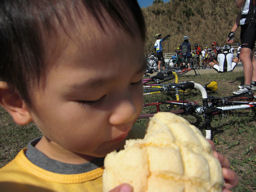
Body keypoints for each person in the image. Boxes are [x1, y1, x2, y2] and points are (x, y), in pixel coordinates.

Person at [0, 0, 238, 192]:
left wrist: (203, 178)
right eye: (93, 96)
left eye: (135, 81)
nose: (128, 111)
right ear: (18, 102)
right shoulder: (14, 185)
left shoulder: (148, 142)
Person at [227, 0, 256, 95]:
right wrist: (232, 31)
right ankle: (253, 82)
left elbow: (238, 4)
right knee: (250, 56)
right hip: (246, 24)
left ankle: (247, 87)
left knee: (244, 55)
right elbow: (241, 12)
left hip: (251, 23)